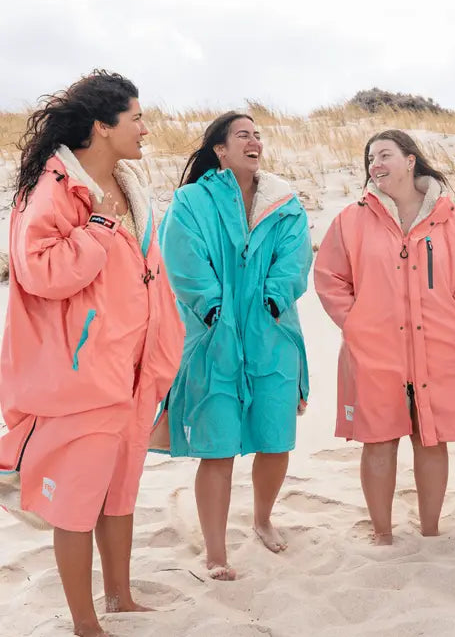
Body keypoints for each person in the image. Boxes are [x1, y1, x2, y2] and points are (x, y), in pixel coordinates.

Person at [0, 70, 184, 637]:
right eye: (136, 118)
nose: (146, 129)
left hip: (132, 369)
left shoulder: (131, 185)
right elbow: (41, 271)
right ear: (102, 127)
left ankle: (121, 597)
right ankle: (85, 623)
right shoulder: (54, 190)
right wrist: (99, 226)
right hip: (81, 375)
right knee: (78, 503)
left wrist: (164, 352)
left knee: (119, 492)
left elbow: (152, 275)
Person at [159, 112, 312, 580]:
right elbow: (182, 260)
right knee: (217, 445)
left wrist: (272, 300)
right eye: (243, 134)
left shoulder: (285, 203)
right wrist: (211, 309)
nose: (255, 141)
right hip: (214, 337)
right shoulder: (190, 201)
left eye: (258, 135)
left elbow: (295, 258)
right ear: (220, 150)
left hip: (272, 333)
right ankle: (216, 551)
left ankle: (263, 517)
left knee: (275, 439)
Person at [314, 129, 455, 545]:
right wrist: (355, 322)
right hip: (374, 348)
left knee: (432, 438)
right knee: (378, 439)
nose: (375, 164)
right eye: (370, 158)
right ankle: (382, 532)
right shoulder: (352, 219)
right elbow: (329, 277)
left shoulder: (450, 218)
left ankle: (430, 528)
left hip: (438, 347)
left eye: (385, 154)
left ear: (411, 161)